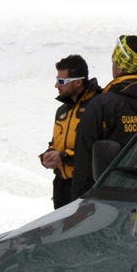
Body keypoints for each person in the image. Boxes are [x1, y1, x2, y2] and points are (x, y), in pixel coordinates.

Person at [70, 36, 137, 201]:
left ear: (121, 67)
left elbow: (84, 167)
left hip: (111, 207)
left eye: (114, 62)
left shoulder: (102, 105)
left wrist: (79, 209)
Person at [40, 54, 100, 209]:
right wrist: (49, 155)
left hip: (86, 188)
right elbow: (57, 143)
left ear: (78, 82)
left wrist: (64, 157)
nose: (56, 85)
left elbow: (95, 151)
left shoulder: (97, 106)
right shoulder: (62, 110)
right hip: (62, 187)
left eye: (61, 81)